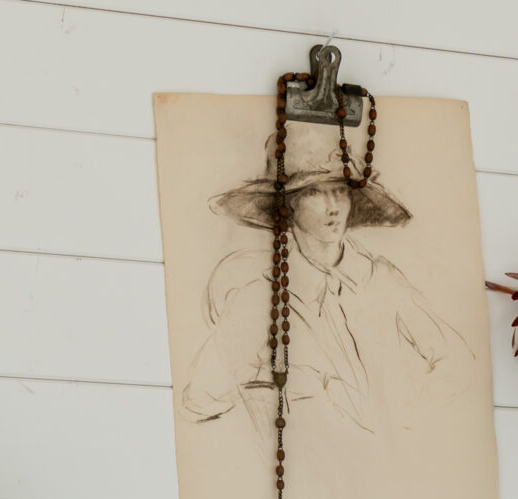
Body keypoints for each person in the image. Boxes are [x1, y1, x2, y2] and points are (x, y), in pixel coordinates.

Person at [179, 160, 466, 436]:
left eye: (341, 190)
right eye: (315, 192)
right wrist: (266, 389)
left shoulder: (383, 279)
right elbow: (201, 399)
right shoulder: (259, 299)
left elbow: (457, 359)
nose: (334, 207)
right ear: (289, 204)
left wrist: (411, 420)